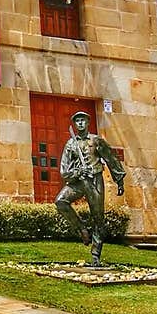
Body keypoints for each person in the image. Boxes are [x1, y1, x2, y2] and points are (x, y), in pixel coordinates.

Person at [55, 111, 126, 266]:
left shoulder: (96, 140)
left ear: (88, 123)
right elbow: (64, 170)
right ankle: (82, 229)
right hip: (79, 182)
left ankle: (95, 254)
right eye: (77, 121)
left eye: (83, 120)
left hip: (95, 181)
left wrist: (119, 181)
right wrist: (78, 172)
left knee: (98, 218)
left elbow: (111, 158)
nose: (80, 123)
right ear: (75, 124)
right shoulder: (71, 144)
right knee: (60, 201)